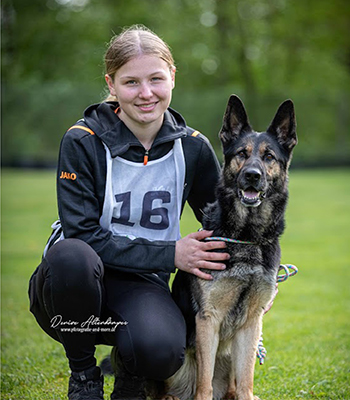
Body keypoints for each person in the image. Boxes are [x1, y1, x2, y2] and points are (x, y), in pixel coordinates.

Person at [28, 25, 230, 400]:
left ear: (172, 76)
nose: (146, 93)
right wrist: (172, 254)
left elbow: (223, 224)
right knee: (72, 254)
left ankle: (130, 378)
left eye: (156, 79)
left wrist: (254, 280)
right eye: (131, 82)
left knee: (162, 350)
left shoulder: (194, 148)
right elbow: (83, 234)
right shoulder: (82, 140)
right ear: (112, 83)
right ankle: (84, 375)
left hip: (142, 283)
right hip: (71, 284)